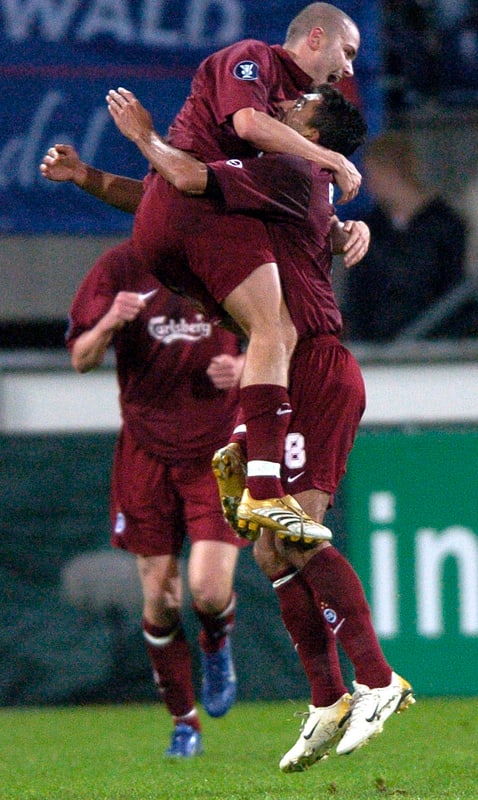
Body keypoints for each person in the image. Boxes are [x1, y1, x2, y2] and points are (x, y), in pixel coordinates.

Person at [104, 85, 415, 770]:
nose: (281, 110)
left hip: (315, 370)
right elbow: (167, 199)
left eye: (297, 109)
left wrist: (142, 136)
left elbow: (184, 177)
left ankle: (378, 678)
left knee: (294, 537)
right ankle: (328, 698)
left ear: (313, 134)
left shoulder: (286, 168)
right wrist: (93, 180)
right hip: (287, 373)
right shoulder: (290, 181)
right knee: (272, 553)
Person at [41, 2, 362, 543]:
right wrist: (334, 171)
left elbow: (170, 191)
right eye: (346, 52)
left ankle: (241, 447)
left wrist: (94, 171)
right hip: (301, 344)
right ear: (314, 37)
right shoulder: (257, 73)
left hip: (168, 233)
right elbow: (218, 153)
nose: (348, 68)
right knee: (274, 333)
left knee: (264, 337)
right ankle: (262, 484)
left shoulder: (285, 167)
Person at [64, 239, 246, 758]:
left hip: (216, 452)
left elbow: (284, 330)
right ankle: (184, 723)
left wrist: (246, 364)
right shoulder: (120, 267)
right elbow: (81, 358)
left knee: (208, 591)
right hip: (145, 453)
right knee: (162, 601)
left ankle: (216, 643)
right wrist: (108, 323)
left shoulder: (227, 255)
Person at [341, 130, 467, 341]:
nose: (368, 185)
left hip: (434, 344)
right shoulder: (370, 228)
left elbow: (453, 291)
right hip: (377, 345)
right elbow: (358, 295)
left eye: (372, 175)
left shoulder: (445, 226)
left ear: (393, 172)